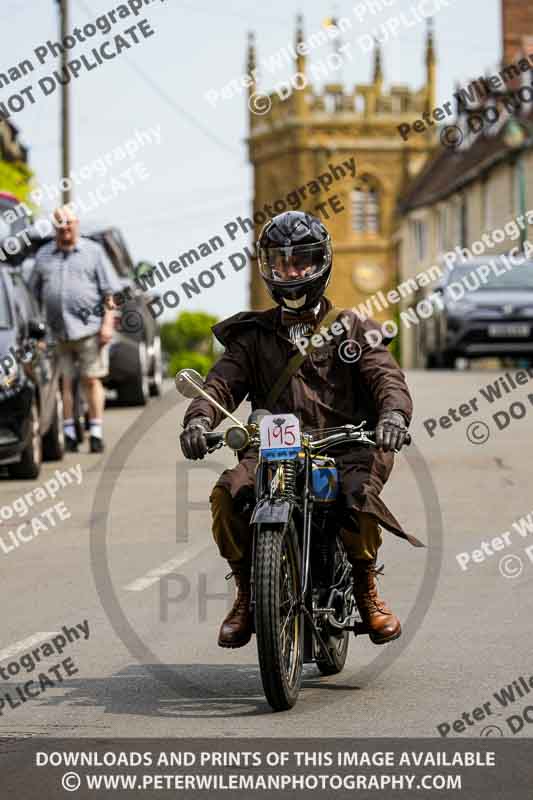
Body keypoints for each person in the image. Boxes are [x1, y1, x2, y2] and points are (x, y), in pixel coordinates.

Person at [180, 210, 423, 649]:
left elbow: (386, 377)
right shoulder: (252, 337)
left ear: (321, 263)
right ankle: (247, 594)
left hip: (343, 445)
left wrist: (392, 416)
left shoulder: (352, 328)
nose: (290, 270)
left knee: (358, 497)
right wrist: (199, 418)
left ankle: (366, 588)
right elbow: (220, 383)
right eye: (280, 261)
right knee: (227, 493)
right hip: (272, 450)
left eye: (300, 261)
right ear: (267, 267)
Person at [29, 206, 121, 453]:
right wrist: (36, 331)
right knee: (65, 382)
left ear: (76, 224)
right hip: (57, 333)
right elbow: (33, 295)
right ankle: (69, 432)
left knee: (91, 379)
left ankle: (96, 432)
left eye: (69, 224)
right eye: (60, 225)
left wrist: (107, 324)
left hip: (90, 330)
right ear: (55, 228)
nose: (65, 229)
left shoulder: (93, 252)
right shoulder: (44, 255)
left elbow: (110, 294)